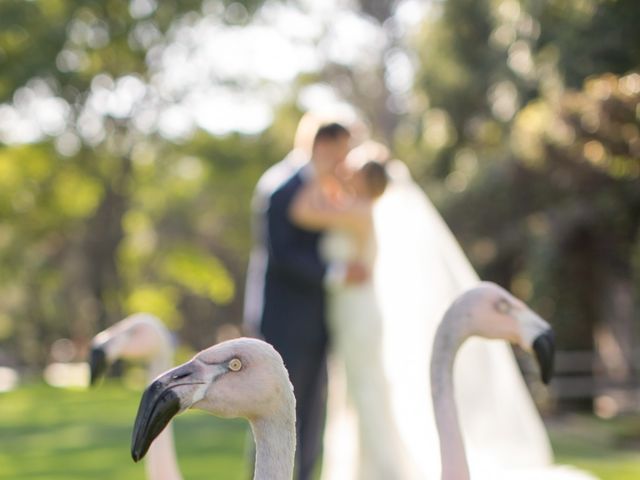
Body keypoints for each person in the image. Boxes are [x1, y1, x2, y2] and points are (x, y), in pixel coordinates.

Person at [292, 140, 555, 479]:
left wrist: (321, 169)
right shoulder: (356, 208)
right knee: (359, 393)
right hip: (351, 312)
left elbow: (301, 210)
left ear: (363, 180)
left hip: (357, 316)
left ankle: (382, 471)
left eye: (351, 171)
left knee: (367, 392)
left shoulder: (358, 212)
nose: (343, 173)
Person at [244, 121, 367, 480]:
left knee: (312, 415)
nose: (346, 157)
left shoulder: (325, 187)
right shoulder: (281, 187)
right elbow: (282, 256)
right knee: (272, 415)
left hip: (318, 321)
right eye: (343, 147)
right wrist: (338, 273)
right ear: (324, 145)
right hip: (286, 321)